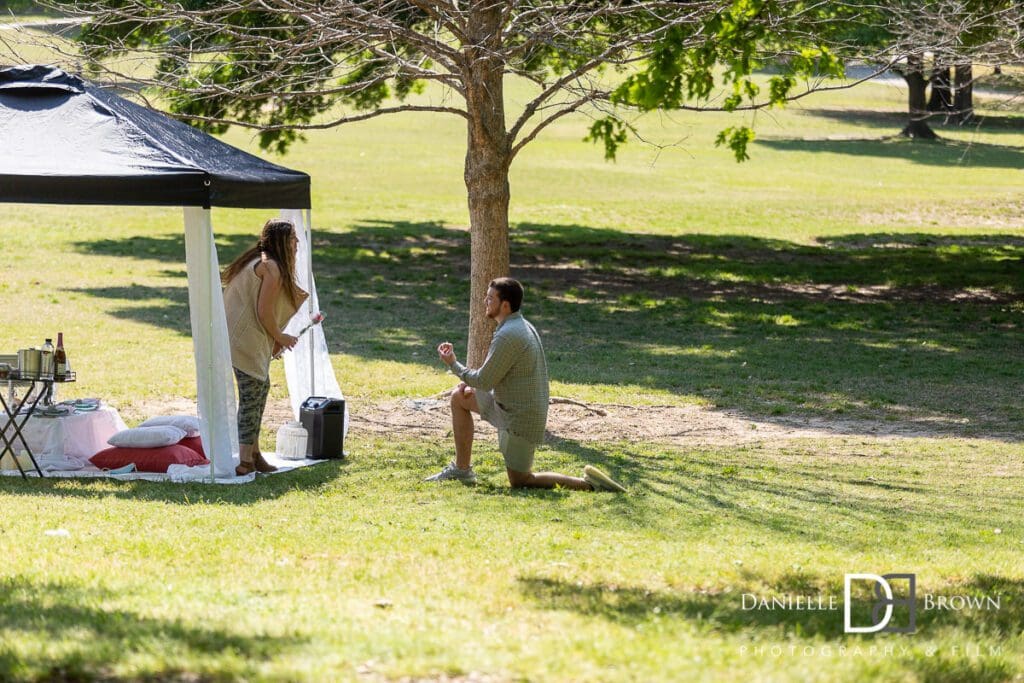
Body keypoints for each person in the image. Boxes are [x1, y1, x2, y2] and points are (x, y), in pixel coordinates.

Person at [428, 277, 626, 492]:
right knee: (460, 397)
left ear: (505, 305)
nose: (485, 301)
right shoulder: (518, 325)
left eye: (490, 298)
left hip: (520, 418)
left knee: (521, 480)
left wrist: (453, 364)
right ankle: (462, 470)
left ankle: (589, 485)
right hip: (507, 405)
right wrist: (473, 386)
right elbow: (498, 378)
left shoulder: (509, 335)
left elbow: (484, 380)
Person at [222, 218, 308, 476]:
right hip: (242, 341)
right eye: (293, 239)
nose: (297, 244)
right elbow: (264, 312)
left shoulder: (263, 261)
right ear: (283, 241)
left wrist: (275, 339)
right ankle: (245, 460)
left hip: (242, 338)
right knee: (251, 397)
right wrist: (281, 337)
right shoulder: (271, 268)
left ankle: (255, 453)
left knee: (259, 390)